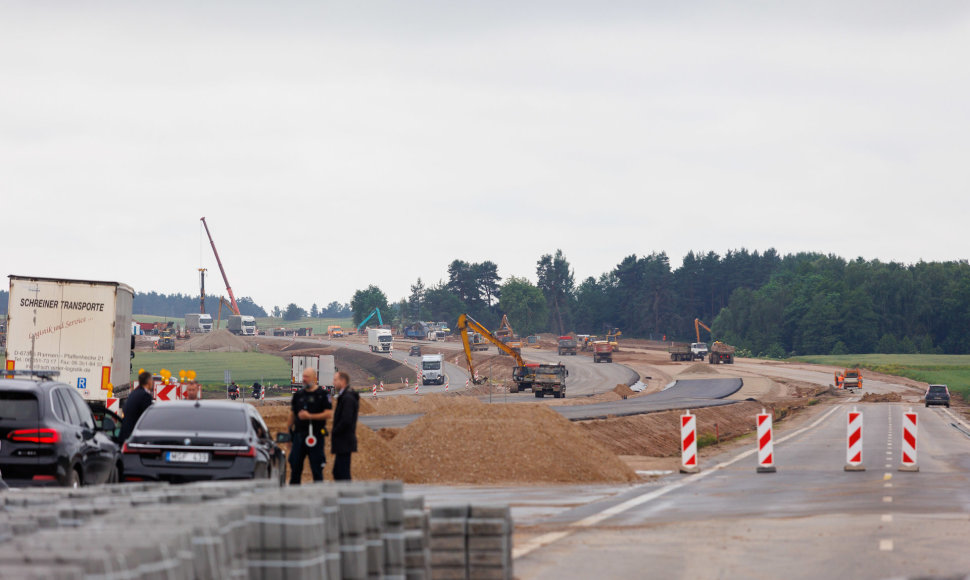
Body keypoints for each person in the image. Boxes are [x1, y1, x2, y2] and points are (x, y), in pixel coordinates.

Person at [288, 368, 333, 484]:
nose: (304, 379)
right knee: (295, 466)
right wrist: (288, 433)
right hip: (299, 436)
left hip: (316, 436)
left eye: (307, 377)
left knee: (317, 468)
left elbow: (328, 414)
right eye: (303, 376)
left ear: (314, 378)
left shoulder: (323, 395)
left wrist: (310, 416)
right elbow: (292, 414)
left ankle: (318, 495)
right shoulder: (298, 395)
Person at [331, 371, 359, 481]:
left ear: (343, 381)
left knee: (342, 474)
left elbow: (346, 420)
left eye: (335, 380)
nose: (333, 383)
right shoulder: (344, 396)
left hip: (344, 441)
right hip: (342, 442)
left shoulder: (347, 398)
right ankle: (344, 495)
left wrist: (335, 431)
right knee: (338, 472)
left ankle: (347, 496)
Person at [120, 371, 154, 440]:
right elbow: (147, 417)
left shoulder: (134, 393)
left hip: (125, 433)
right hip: (133, 435)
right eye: (152, 380)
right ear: (149, 382)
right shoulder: (145, 396)